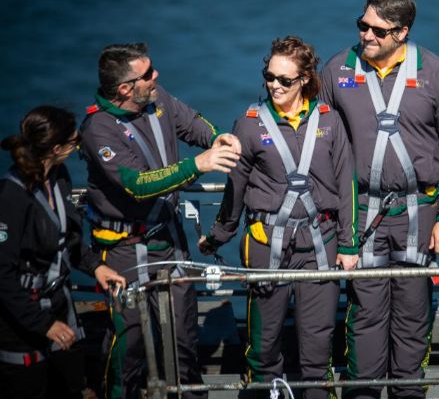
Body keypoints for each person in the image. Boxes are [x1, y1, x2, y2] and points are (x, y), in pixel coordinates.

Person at [320, 0, 439, 399]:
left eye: (377, 31)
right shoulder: (336, 71)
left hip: (420, 212)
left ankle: (408, 393)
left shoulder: (436, 73)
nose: (366, 35)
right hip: (362, 212)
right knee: (364, 312)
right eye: (362, 25)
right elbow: (320, 145)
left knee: (412, 313)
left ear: (401, 33)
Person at [79, 43, 241, 399]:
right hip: (123, 249)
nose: (157, 76)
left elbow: (192, 122)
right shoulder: (97, 131)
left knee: (184, 335)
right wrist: (197, 165)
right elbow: (138, 185)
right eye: (148, 73)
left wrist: (217, 138)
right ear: (125, 88)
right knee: (129, 343)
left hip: (167, 238)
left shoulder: (155, 96)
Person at [202, 36, 357, 398]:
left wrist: (349, 244)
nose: (274, 85)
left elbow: (346, 183)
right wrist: (219, 234)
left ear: (304, 79)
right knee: (264, 344)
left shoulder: (330, 122)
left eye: (284, 80)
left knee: (318, 346)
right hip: (265, 243)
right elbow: (235, 189)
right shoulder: (249, 125)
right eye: (269, 77)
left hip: (320, 242)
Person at [0, 105, 126, 399]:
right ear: (56, 148)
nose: (78, 145)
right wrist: (43, 324)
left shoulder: (59, 177)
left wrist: (95, 266)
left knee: (73, 386)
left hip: (59, 305)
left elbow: (65, 239)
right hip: (22, 322)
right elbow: (2, 277)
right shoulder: (10, 198)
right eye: (74, 141)